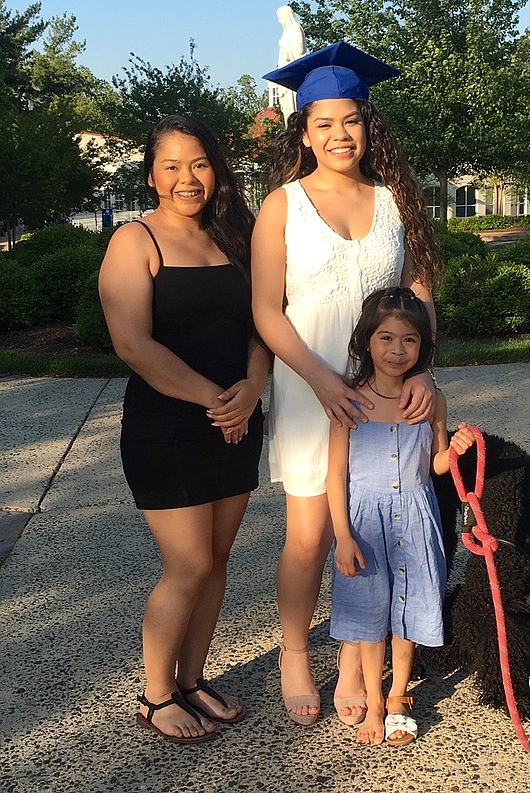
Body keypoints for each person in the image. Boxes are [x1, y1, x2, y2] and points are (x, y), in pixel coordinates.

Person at [249, 42, 442, 726]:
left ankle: (360, 660)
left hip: (388, 391)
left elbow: (418, 291)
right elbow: (265, 311)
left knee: (379, 525)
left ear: (368, 125)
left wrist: (420, 366)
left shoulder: (394, 201)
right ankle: (295, 653)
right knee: (311, 534)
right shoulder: (283, 205)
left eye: (351, 120)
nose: (339, 134)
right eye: (323, 122)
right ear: (303, 131)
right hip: (312, 389)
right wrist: (325, 381)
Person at [98, 114, 270, 743]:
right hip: (169, 424)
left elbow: (264, 323)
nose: (187, 178)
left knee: (219, 559)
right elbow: (133, 344)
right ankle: (156, 694)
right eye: (171, 166)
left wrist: (250, 391)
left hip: (238, 416)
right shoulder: (134, 241)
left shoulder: (237, 238)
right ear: (151, 176)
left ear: (216, 169)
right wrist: (215, 401)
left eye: (198, 163)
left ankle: (194, 680)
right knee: (189, 562)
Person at [328, 287, 476, 745]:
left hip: (415, 517)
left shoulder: (431, 401)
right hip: (365, 525)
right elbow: (335, 476)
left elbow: (434, 466)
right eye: (386, 338)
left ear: (422, 347)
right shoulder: (349, 400)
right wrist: (344, 537)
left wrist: (453, 450)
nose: (397, 350)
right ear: (366, 342)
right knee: (371, 616)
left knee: (408, 610)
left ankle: (397, 697)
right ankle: (372, 703)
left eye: (409, 340)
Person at [274, 5, 306, 125]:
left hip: (291, 72)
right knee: (286, 107)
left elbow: (299, 51)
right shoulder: (286, 31)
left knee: (292, 105)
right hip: (284, 71)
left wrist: (284, 46)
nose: (279, 20)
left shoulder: (295, 29)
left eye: (279, 17)